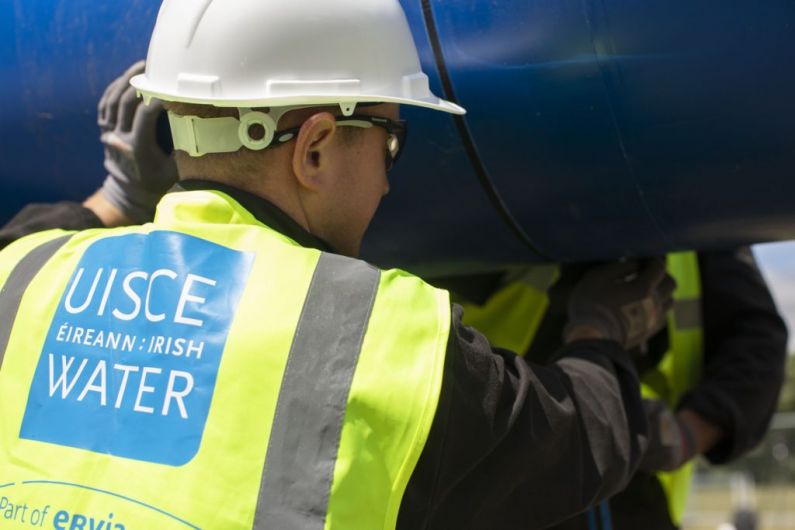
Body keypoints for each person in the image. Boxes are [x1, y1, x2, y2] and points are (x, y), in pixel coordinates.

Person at [0, 1, 675, 529]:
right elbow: (576, 446)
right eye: (391, 142)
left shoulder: (25, 276)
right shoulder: (368, 336)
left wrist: (114, 199)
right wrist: (601, 333)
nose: (385, 182)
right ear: (315, 149)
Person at [449, 248, 788, 530]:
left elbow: (756, 342)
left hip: (631, 486)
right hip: (492, 473)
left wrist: (687, 433)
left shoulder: (694, 207)